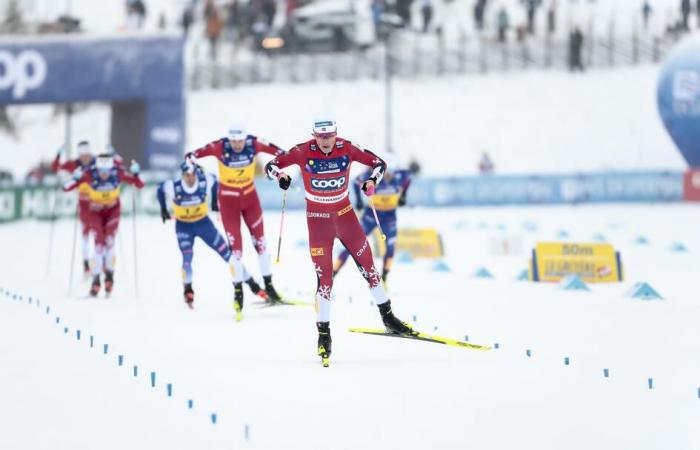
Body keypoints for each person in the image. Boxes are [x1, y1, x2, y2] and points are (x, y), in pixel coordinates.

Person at [264, 116, 416, 365]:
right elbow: (271, 165)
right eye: (320, 137)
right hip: (317, 220)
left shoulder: (347, 147)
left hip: (346, 217)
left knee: (369, 268)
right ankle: (323, 335)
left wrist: (371, 181)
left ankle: (388, 318)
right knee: (325, 280)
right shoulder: (303, 151)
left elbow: (379, 163)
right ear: (314, 136)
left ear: (336, 134)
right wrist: (280, 176)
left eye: (329, 136)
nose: (325, 141)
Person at [185, 124, 285, 305]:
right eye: (234, 142)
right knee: (236, 251)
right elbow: (190, 157)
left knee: (261, 244)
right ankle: (238, 292)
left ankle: (269, 287)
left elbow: (282, 154)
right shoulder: (219, 146)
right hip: (228, 203)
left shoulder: (253, 143)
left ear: (245, 139)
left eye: (240, 141)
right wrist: (199, 171)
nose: (237, 145)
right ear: (229, 140)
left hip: (250, 200)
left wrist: (277, 171)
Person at [157, 161, 266, 312]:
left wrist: (215, 201)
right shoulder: (174, 186)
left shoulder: (204, 180)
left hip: (204, 225)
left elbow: (215, 180)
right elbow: (159, 188)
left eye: (193, 174)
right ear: (182, 175)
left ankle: (253, 285)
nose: (190, 178)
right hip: (183, 227)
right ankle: (188, 289)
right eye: (187, 175)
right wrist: (163, 209)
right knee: (187, 258)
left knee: (228, 254)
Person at [63, 153, 144, 297]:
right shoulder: (89, 174)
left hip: (113, 211)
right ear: (97, 169)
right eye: (101, 172)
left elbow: (139, 184)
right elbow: (66, 188)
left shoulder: (117, 173)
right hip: (95, 211)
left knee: (110, 242)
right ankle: (95, 280)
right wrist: (75, 178)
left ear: (111, 169)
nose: (104, 175)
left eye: (107, 172)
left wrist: (136, 173)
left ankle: (109, 276)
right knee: (99, 245)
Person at [333, 152, 411, 288]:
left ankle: (384, 279)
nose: (389, 176)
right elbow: (356, 181)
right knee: (352, 244)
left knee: (391, 248)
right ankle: (332, 274)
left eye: (392, 172)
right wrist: (358, 201)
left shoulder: (400, 176)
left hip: (390, 216)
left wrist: (403, 195)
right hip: (371, 215)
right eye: (387, 172)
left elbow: (408, 180)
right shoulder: (371, 176)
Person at [51, 141, 96, 278]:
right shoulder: (74, 164)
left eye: (87, 154)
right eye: (82, 155)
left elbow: (115, 167)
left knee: (99, 234)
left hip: (98, 203)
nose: (85, 158)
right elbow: (56, 167)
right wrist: (58, 155)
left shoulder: (97, 162)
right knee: (85, 235)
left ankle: (99, 263)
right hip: (83, 204)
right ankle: (86, 264)